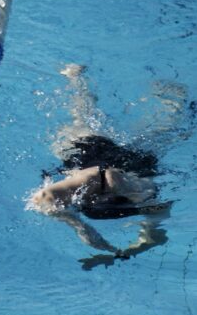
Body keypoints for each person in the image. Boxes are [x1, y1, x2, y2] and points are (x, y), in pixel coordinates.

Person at [28, 64, 185, 269]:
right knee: (162, 134)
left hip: (103, 163)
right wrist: (81, 228)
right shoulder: (140, 195)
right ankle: (77, 79)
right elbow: (42, 198)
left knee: (82, 124)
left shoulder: (146, 201)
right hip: (119, 164)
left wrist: (109, 249)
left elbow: (155, 239)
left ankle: (76, 79)